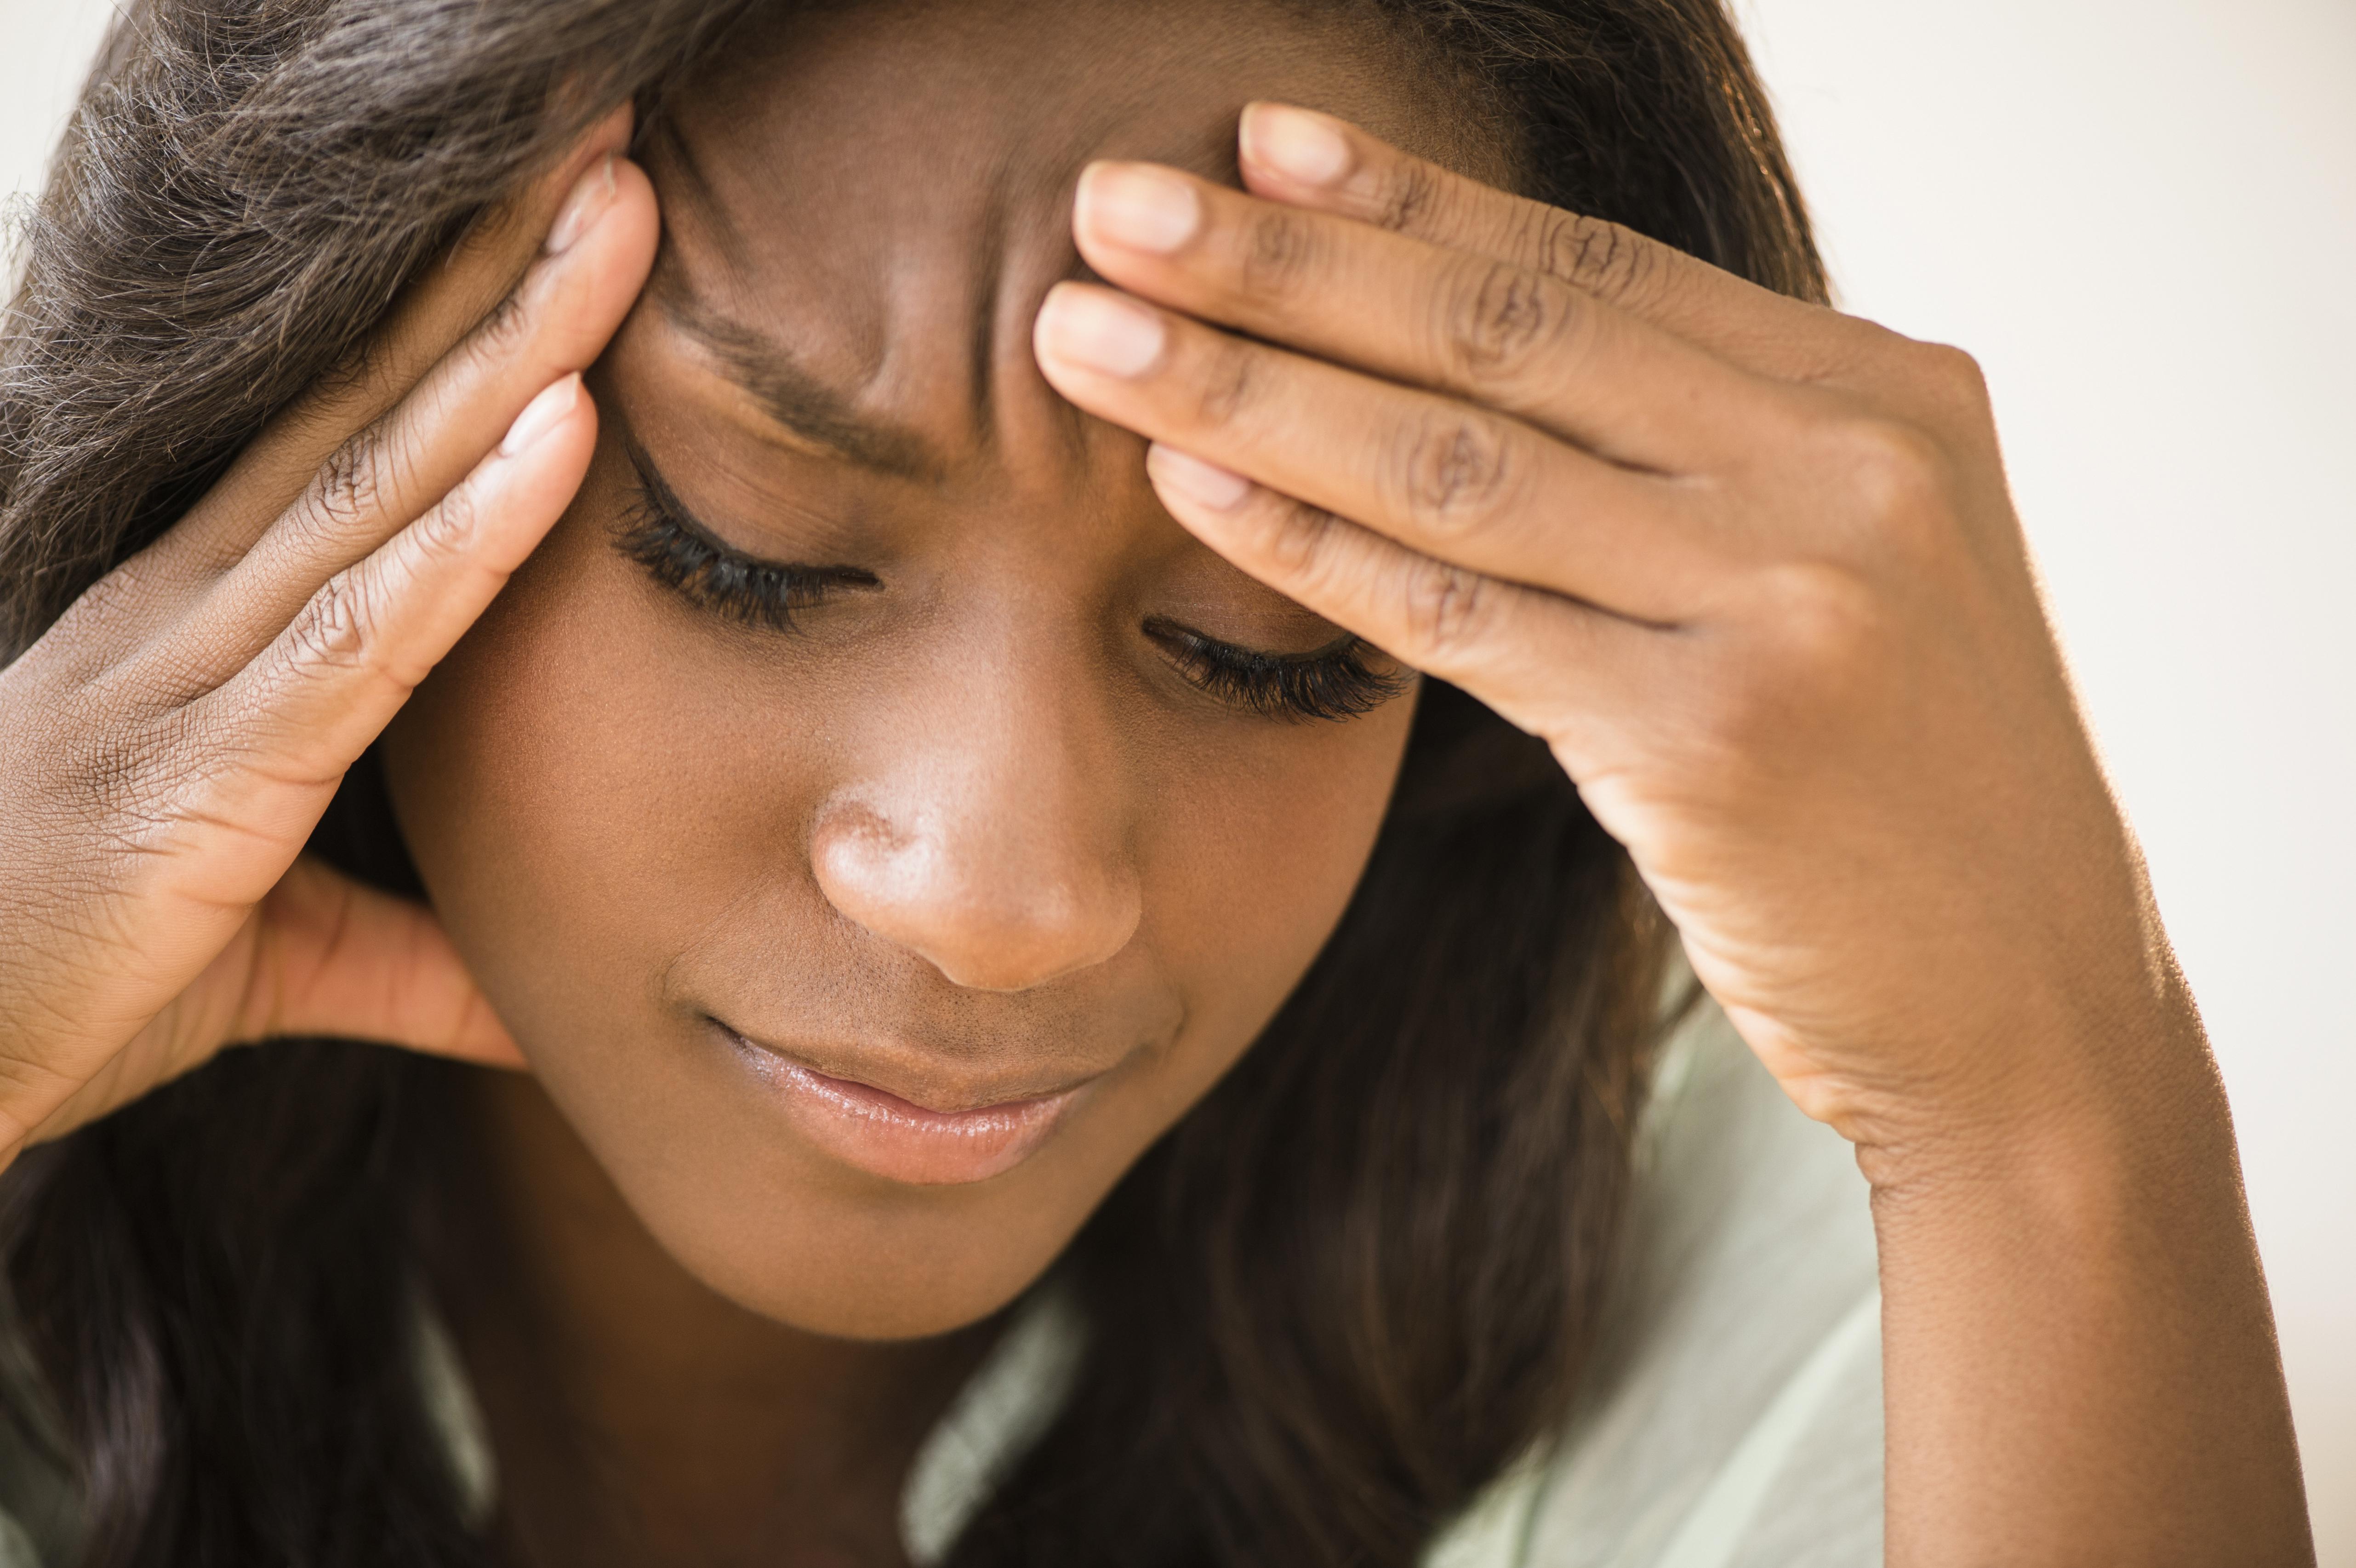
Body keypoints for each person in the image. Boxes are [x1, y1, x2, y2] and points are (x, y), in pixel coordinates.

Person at [0, 0, 2316, 1562]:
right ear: (269, 422)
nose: (1004, 895)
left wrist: (2049, 1113)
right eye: (757, 550)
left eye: (1268, 641)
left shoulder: (1825, 1339)